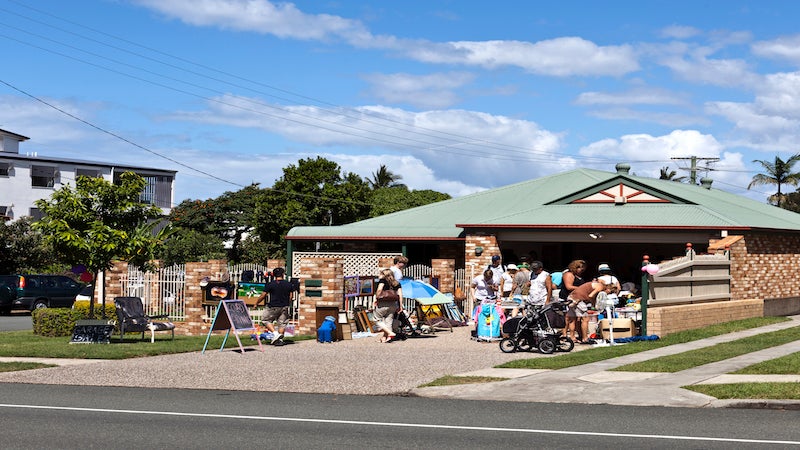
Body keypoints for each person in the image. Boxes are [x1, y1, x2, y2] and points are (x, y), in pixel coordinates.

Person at [565, 279, 615, 344]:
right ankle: (585, 338)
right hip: (578, 299)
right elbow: (590, 296)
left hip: (571, 297)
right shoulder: (600, 287)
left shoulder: (597, 285)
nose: (608, 294)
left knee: (572, 319)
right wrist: (593, 304)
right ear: (608, 289)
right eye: (610, 292)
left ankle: (572, 338)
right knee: (585, 319)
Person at [257, 267, 298, 346]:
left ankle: (275, 334)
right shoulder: (289, 284)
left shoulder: (270, 284)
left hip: (273, 306)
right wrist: (288, 303)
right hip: (284, 306)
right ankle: (280, 340)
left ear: (274, 275)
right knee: (282, 323)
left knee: (265, 320)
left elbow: (263, 295)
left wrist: (257, 303)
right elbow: (291, 295)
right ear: (283, 274)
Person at [374, 268, 403, 343]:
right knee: (389, 321)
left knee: (376, 320)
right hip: (393, 303)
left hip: (383, 303)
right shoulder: (397, 283)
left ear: (384, 275)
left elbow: (379, 290)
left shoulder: (382, 281)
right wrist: (400, 306)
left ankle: (390, 333)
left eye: (381, 273)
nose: (379, 275)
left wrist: (376, 298)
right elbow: (400, 295)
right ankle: (386, 338)